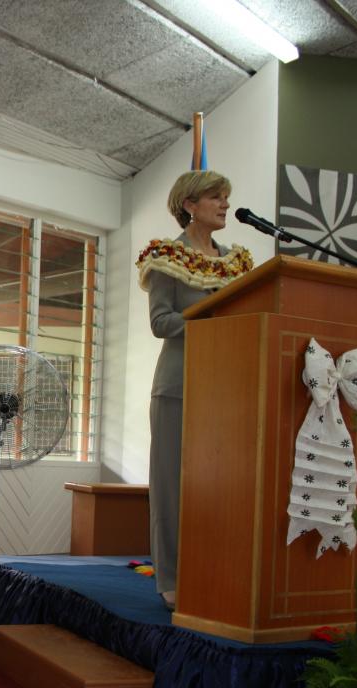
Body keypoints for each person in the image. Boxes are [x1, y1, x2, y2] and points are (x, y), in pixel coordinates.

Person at [135, 171, 253, 611]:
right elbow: (161, 322)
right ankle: (170, 577)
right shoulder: (167, 256)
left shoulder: (236, 260)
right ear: (189, 204)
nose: (224, 204)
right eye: (215, 197)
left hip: (225, 391)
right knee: (171, 485)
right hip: (178, 386)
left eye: (226, 197)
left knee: (219, 486)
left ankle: (214, 569)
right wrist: (213, 323)